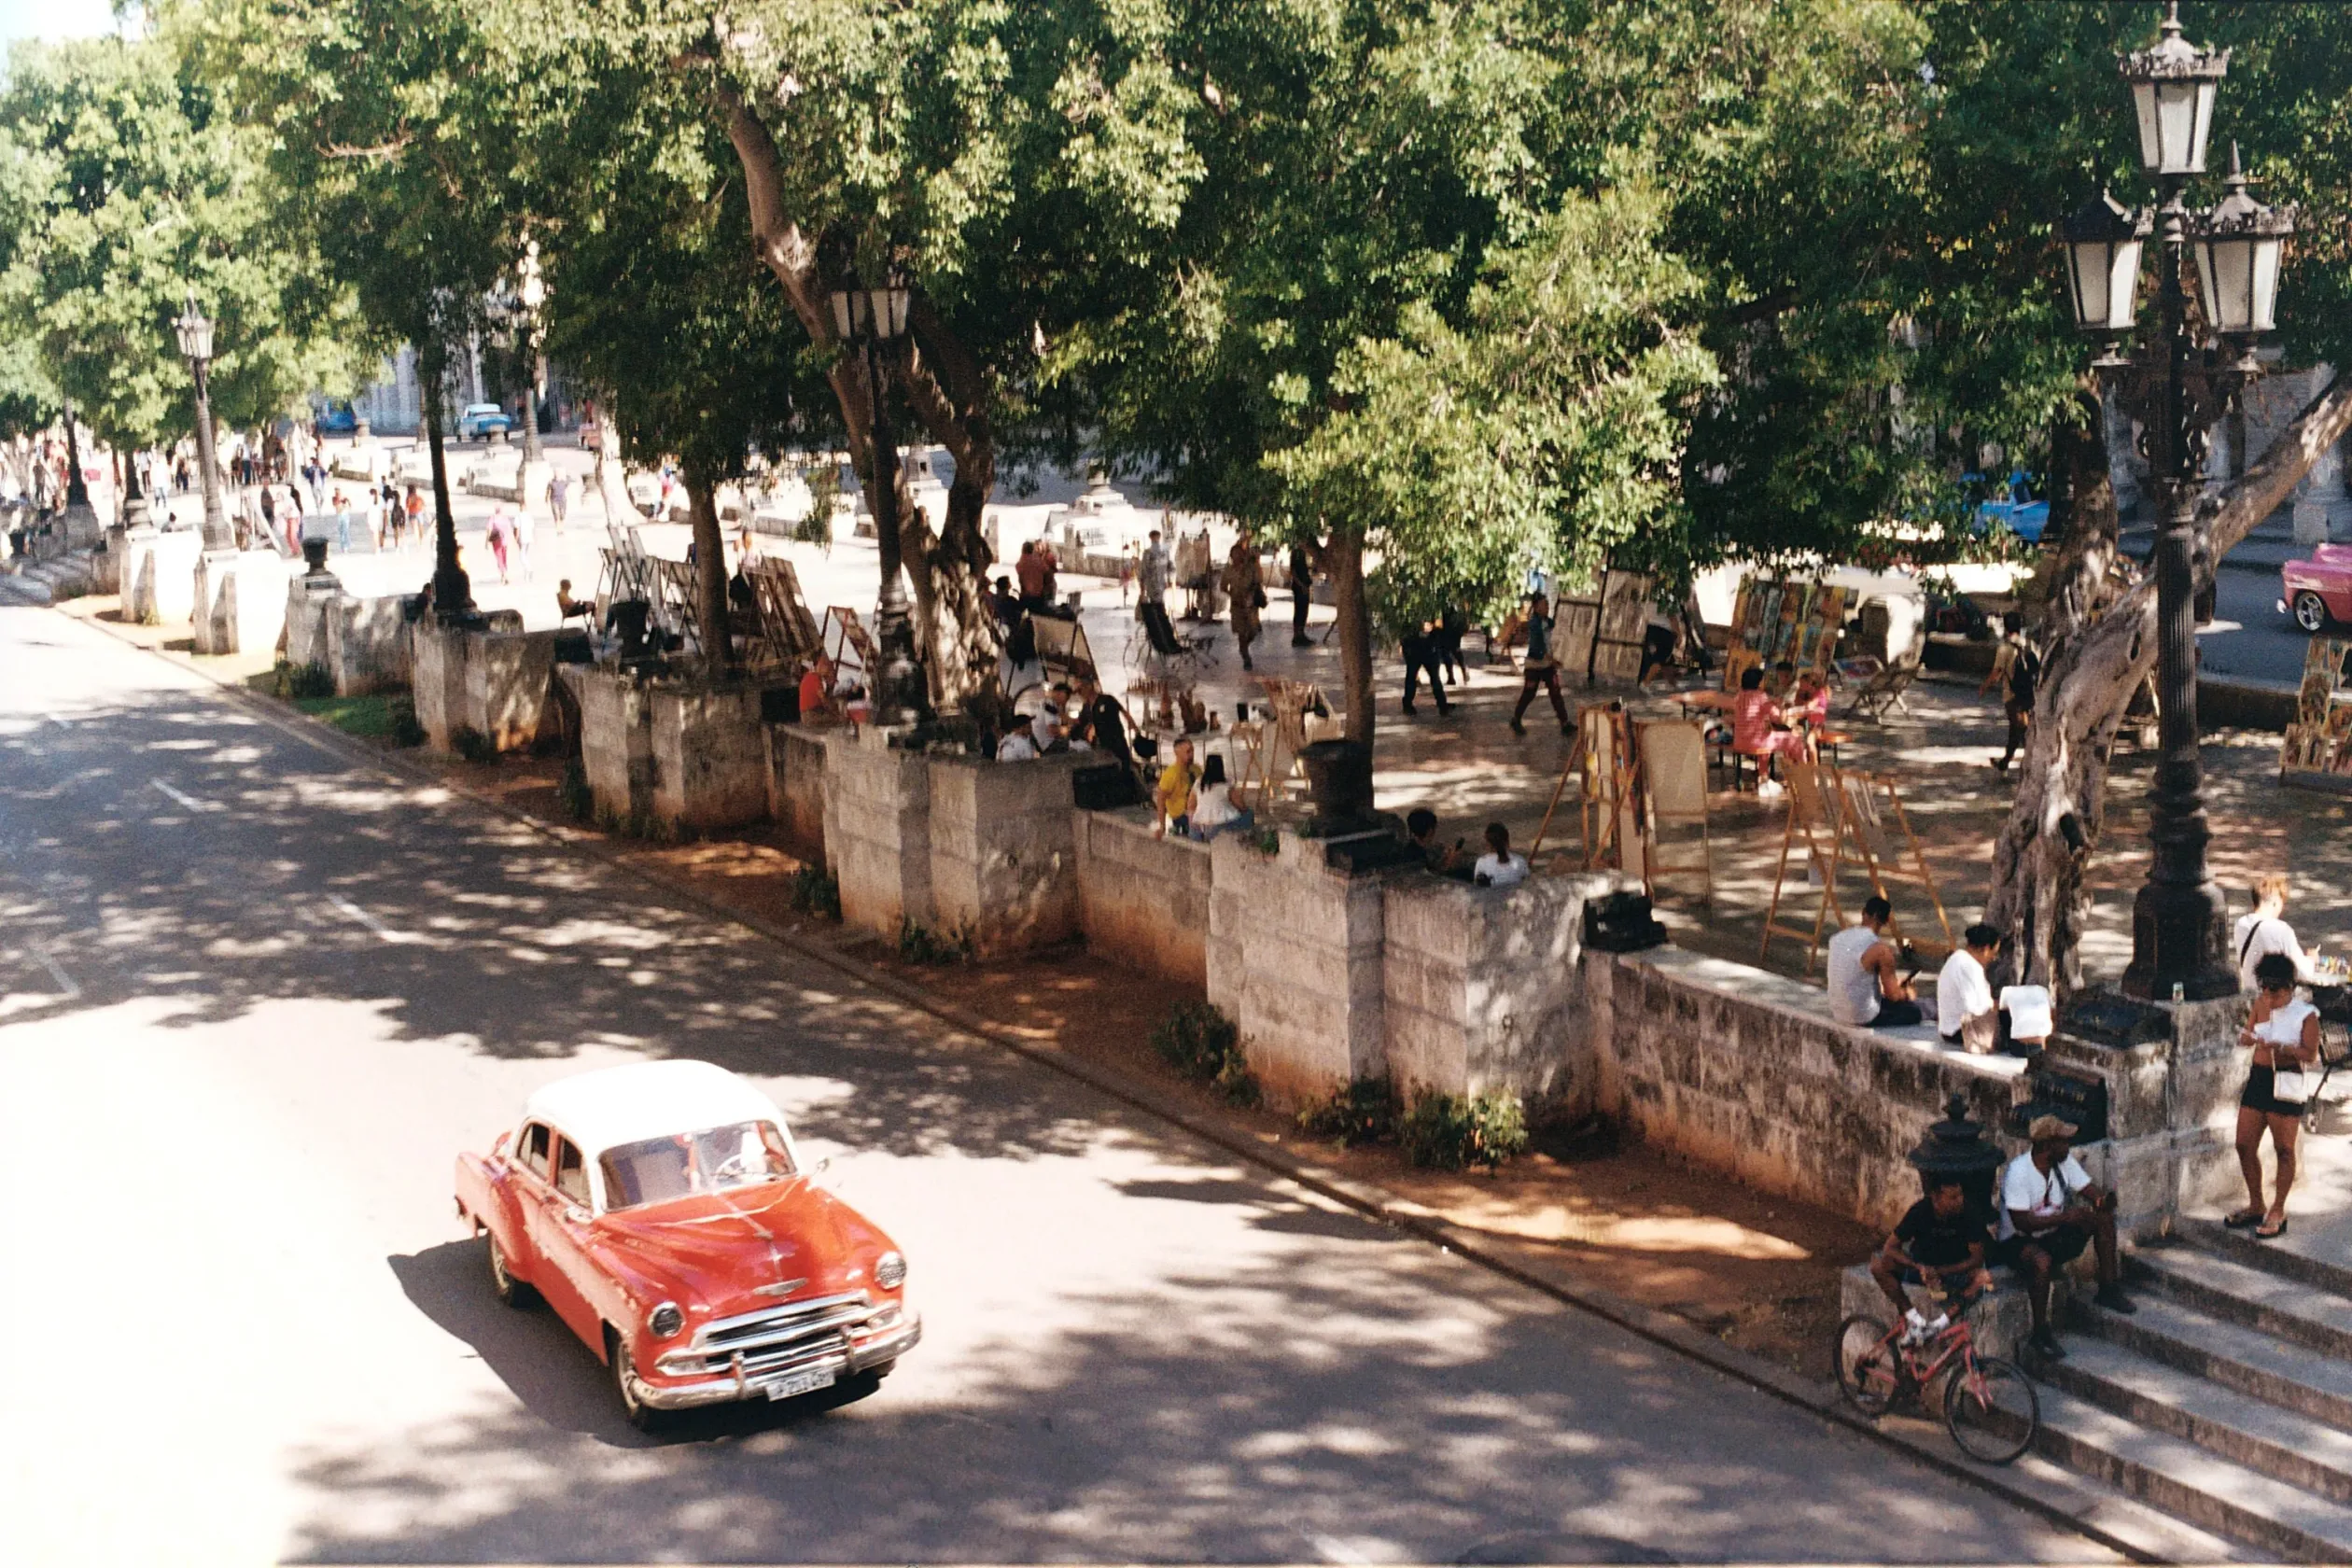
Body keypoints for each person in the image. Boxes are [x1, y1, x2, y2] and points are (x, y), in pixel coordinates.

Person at [1996, 1114, 2135, 1360]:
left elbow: (2090, 1192)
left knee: (2102, 1220)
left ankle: (2108, 1287)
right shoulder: (2018, 1172)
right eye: (2064, 1141)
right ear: (2048, 1146)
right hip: (2018, 1241)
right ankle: (2040, 1332)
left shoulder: (2063, 1163)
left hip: (2052, 1233)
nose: (2068, 1146)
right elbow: (2023, 1222)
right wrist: (2065, 1218)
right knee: (2041, 1261)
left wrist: (2103, 1201)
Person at [2228, 950, 2321, 1239]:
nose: (2269, 997)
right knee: (2244, 1144)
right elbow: (2248, 1032)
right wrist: (2247, 1038)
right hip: (2259, 1080)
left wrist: (2283, 1048)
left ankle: (2278, 1208)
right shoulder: (2260, 1005)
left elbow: (2311, 1054)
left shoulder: (2306, 1015)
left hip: (2286, 1080)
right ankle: (2256, 1202)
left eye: (2275, 992)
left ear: (2289, 989)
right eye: (2264, 990)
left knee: (2284, 1148)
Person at [1870, 1172, 1994, 1334]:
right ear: (1936, 1198)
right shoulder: (1920, 1211)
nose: (1959, 1201)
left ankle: (1939, 1325)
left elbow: (1977, 1259)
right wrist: (1918, 1267)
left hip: (1955, 1270)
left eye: (1960, 1194)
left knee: (1984, 1279)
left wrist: (1941, 1272)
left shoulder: (1969, 1213)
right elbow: (1890, 1247)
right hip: (1922, 1268)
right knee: (1878, 1264)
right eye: (1953, 1197)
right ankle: (1914, 1318)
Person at [1826, 896, 1923, 1029]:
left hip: (1838, 1012)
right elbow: (1893, 996)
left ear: (1863, 913)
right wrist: (1907, 993)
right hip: (1863, 1016)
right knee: (1914, 1011)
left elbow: (1853, 974)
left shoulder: (1837, 938)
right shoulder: (1881, 950)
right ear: (1886, 921)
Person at [2233, 874, 2316, 993]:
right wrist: (2311, 960)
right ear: (2275, 903)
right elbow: (2303, 973)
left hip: (2251, 996)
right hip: (2275, 998)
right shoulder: (2281, 929)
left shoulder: (2241, 924)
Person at [1507, 593, 1571, 736]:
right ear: (1536, 607)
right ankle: (1516, 719)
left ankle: (1565, 722)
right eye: (1543, 605)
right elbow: (1539, 647)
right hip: (1535, 665)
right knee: (1529, 694)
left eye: (1547, 605)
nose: (1546, 608)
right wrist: (1552, 660)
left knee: (1555, 693)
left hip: (1547, 665)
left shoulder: (1547, 622)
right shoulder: (1535, 624)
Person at [1937, 924, 2003, 1054]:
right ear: (1985, 949)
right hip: (1959, 1031)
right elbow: (1976, 1008)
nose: (1992, 959)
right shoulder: (1969, 966)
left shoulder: (1958, 959)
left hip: (1950, 1028)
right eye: (1993, 954)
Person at [1989, 618, 2039, 776]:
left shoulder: (2005, 649)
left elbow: (1996, 673)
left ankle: (2033, 764)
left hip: (2012, 695)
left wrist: (1985, 686)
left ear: (2006, 628)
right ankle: (2005, 762)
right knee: (2017, 729)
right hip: (2029, 694)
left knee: (2021, 730)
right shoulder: (2030, 645)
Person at [1221, 535, 1264, 670]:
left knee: (1253, 631)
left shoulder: (1250, 567)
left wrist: (1256, 562)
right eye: (1234, 554)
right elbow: (1223, 586)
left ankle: (1244, 646)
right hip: (1237, 605)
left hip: (1250, 605)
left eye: (1239, 553)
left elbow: (1258, 580)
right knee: (1241, 632)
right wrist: (1232, 594)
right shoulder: (1228, 570)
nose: (1237, 556)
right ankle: (1246, 657)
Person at [1187, 754, 1253, 841]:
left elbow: (1190, 806)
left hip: (1197, 832)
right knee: (1249, 814)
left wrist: (1194, 823)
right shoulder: (1226, 784)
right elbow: (1241, 806)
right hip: (1218, 830)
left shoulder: (1198, 783)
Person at [1072, 675, 1132, 769]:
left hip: (1117, 743)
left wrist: (1134, 727)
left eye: (1080, 690)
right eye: (1077, 692)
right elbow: (1080, 722)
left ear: (1089, 686)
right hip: (1102, 746)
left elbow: (1123, 711)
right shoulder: (1087, 707)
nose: (1079, 694)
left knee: (1123, 768)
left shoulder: (1106, 700)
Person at [1400, 618, 1452, 717]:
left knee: (1432, 678)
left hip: (1426, 649)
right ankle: (1441, 705)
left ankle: (1442, 705)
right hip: (1417, 649)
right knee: (1414, 677)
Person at [1155, 735, 1199, 838]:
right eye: (1188, 752)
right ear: (1177, 754)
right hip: (1182, 817)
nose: (1192, 755)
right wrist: (1162, 826)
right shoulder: (1170, 774)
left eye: (1192, 751)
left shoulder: (1196, 769)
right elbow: (1160, 801)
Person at [1407, 808, 1467, 876]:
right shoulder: (1418, 856)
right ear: (1430, 831)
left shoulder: (1410, 848)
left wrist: (1444, 859)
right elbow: (1435, 878)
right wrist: (1450, 861)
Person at [1472, 822, 1529, 889]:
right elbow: (1527, 882)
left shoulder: (1481, 863)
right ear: (1507, 840)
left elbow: (1477, 888)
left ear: (1488, 843)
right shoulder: (1520, 861)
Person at [1137, 528, 1172, 611]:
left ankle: (1160, 619)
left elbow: (1169, 566)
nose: (1156, 540)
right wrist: (1142, 584)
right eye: (1154, 538)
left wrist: (1169, 579)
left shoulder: (1164, 552)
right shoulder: (1147, 553)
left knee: (1160, 602)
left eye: (1157, 538)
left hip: (1161, 582)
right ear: (1151, 539)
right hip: (1151, 583)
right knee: (1155, 602)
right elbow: (1144, 568)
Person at [1015, 539, 1051, 613]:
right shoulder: (1038, 561)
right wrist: (1045, 587)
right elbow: (1048, 572)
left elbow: (1020, 578)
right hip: (1038, 595)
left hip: (1026, 595)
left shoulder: (1021, 561)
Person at [1289, 544, 1314, 646]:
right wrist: (1301, 584)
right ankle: (1297, 635)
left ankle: (1301, 634)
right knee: (1299, 610)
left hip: (1305, 584)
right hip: (1299, 586)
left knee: (1304, 610)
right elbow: (1293, 571)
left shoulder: (1303, 553)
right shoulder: (1296, 553)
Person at [797, 655, 835, 721]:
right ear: (823, 667)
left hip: (808, 714)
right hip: (811, 715)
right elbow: (824, 700)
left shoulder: (809, 676)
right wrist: (835, 711)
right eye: (829, 670)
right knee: (837, 719)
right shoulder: (816, 679)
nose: (828, 673)